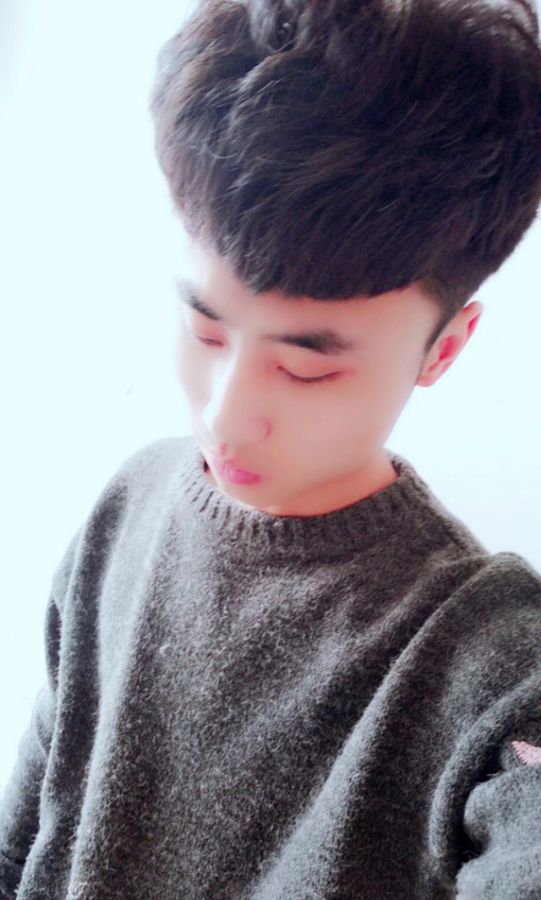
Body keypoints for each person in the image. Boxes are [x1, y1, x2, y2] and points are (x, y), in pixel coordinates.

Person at [1, 0, 540, 897]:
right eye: (204, 330)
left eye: (304, 368)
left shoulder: (497, 661)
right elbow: (23, 845)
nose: (226, 415)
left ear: (443, 350)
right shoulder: (129, 504)